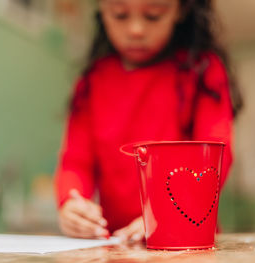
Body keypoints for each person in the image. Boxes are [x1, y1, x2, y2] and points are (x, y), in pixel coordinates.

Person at [55, 0, 243, 242]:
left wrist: (166, 214)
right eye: (120, 15)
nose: (136, 29)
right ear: (102, 11)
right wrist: (71, 204)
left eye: (153, 16)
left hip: (186, 238)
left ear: (181, 11)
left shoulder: (202, 70)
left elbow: (215, 155)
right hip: (118, 243)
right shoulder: (92, 82)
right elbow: (75, 163)